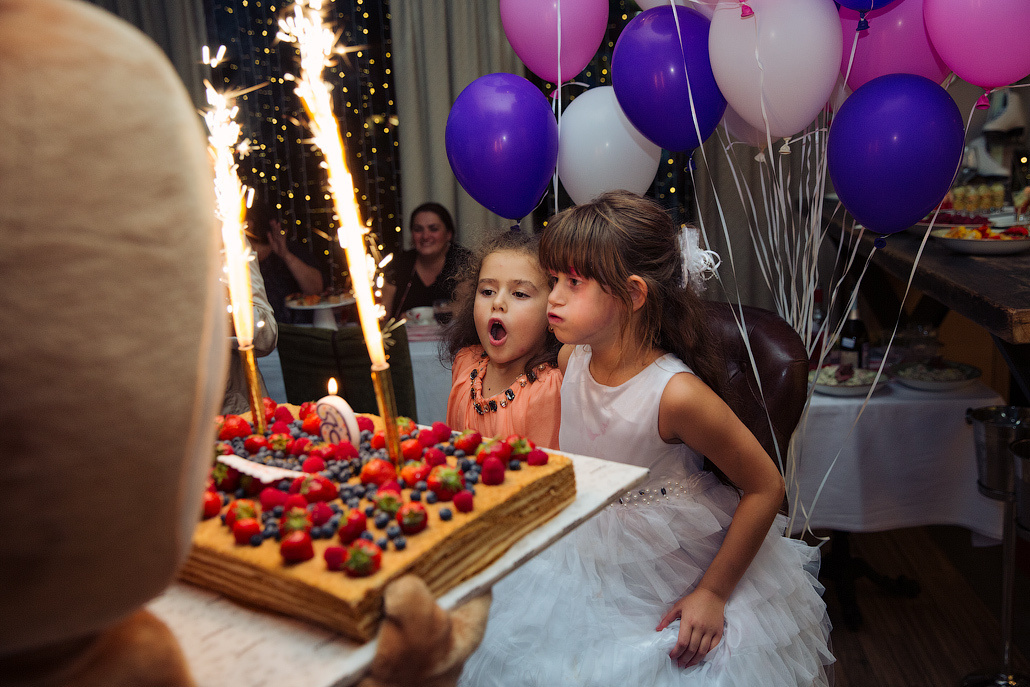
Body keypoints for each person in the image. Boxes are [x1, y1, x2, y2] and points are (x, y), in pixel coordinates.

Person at [458, 191, 833, 686]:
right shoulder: (573, 360)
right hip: (579, 547)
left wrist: (714, 594)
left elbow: (767, 487)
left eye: (574, 282)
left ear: (633, 295)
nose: (555, 298)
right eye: (554, 281)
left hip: (665, 563)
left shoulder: (675, 395)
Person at [443, 230, 563, 449]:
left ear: (552, 312)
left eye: (519, 294)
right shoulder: (465, 363)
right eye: (487, 291)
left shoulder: (549, 388)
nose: (497, 302)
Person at [382, 202, 471, 320]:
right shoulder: (399, 264)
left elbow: (465, 313)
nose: (425, 236)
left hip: (453, 337)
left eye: (433, 229)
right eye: (418, 229)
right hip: (406, 337)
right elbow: (383, 314)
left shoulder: (464, 261)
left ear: (448, 234)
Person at [246, 194, 325, 325]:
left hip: (298, 333)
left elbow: (316, 289)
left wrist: (286, 255)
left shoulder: (286, 250)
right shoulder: (230, 263)